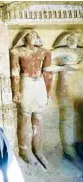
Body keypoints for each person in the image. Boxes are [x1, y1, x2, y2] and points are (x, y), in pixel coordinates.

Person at [10, 30, 52, 169]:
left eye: (35, 35)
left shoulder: (44, 52)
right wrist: (16, 91)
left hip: (39, 84)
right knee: (26, 117)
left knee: (39, 118)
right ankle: (26, 151)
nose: (32, 38)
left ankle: (39, 151)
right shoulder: (17, 52)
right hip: (26, 82)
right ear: (24, 38)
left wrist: (49, 91)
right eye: (29, 35)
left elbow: (48, 73)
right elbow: (15, 73)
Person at [50, 31, 83, 169]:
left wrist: (72, 66)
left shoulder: (80, 52)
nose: (71, 40)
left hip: (79, 86)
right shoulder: (59, 51)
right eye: (69, 38)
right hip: (65, 87)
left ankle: (78, 146)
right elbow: (48, 63)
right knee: (67, 117)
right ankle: (69, 148)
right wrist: (62, 67)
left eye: (74, 38)